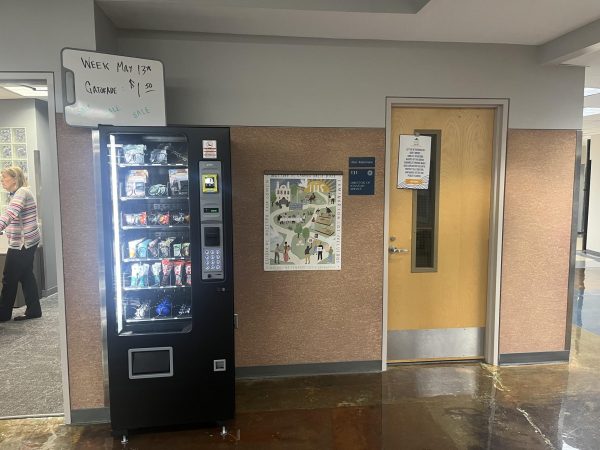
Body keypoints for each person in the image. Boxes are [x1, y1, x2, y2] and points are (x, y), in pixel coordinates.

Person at [0, 167, 42, 322]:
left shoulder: (22, 192)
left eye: (4, 177)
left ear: (15, 179)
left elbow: (10, 214)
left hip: (22, 244)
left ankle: (3, 314)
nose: (2, 180)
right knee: (26, 276)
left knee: (8, 278)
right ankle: (34, 310)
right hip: (27, 241)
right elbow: (15, 219)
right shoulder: (17, 194)